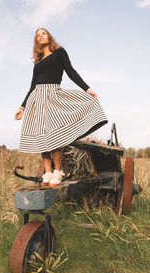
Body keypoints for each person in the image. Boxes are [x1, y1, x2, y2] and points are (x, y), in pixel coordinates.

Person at [15, 28, 108, 187]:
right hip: (37, 98)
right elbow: (32, 86)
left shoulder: (59, 52)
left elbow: (71, 72)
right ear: (36, 41)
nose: (40, 36)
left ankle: (58, 171)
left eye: (43, 33)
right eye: (38, 35)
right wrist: (22, 107)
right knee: (41, 136)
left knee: (53, 135)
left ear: (49, 36)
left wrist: (87, 89)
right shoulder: (38, 62)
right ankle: (48, 172)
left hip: (53, 95)